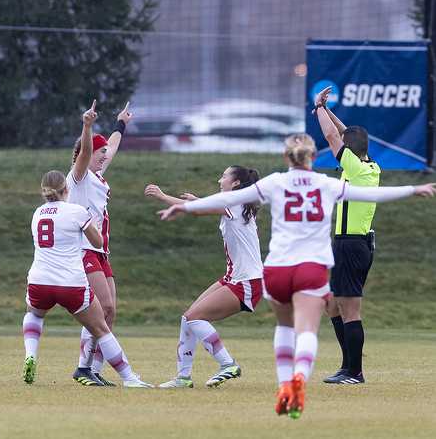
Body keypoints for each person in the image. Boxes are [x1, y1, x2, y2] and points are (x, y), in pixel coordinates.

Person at [158, 130, 435, 419]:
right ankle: (299, 379)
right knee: (306, 329)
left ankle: (284, 384)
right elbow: (369, 193)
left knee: (285, 329)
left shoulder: (275, 182)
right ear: (314, 157)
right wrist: (412, 190)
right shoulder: (325, 184)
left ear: (285, 157)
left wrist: (184, 206)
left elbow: (232, 197)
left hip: (277, 267)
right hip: (311, 267)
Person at [22, 170, 152, 388]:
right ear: (66, 189)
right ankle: (129, 378)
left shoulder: (37, 213)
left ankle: (30, 355)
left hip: (39, 280)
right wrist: (88, 221)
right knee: (100, 328)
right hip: (70, 282)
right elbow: (98, 242)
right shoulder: (76, 211)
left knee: (34, 315)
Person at [144, 165, 263, 388]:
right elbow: (203, 206)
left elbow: (196, 210)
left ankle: (228, 364)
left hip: (248, 281)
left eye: (225, 176)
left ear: (236, 183)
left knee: (195, 318)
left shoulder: (234, 203)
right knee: (187, 318)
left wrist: (161, 196)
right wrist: (197, 200)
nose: (220, 179)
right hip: (234, 277)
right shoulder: (236, 204)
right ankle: (183, 378)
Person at [313, 87, 379, 384]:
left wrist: (317, 109)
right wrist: (328, 110)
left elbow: (332, 138)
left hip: (352, 245)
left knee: (350, 309)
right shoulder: (369, 164)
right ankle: (347, 366)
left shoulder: (355, 167)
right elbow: (343, 133)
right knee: (332, 305)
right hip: (347, 244)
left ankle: (355, 372)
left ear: (350, 150)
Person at [66, 100, 132, 386]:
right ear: (86, 153)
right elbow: (85, 153)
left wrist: (121, 123)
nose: (105, 156)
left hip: (101, 252)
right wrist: (87, 125)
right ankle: (83, 368)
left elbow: (113, 146)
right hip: (84, 250)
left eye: (104, 152)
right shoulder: (78, 177)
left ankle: (92, 368)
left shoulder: (98, 176)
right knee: (101, 307)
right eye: (99, 152)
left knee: (109, 311)